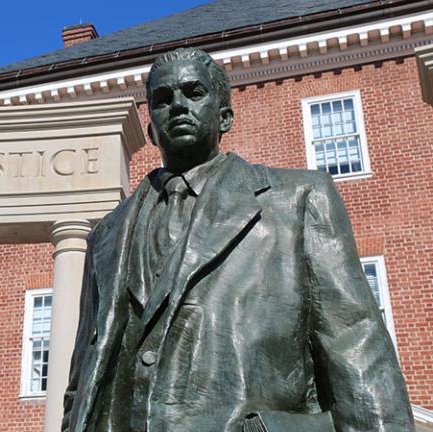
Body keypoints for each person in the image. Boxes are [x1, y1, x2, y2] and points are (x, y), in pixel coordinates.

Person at [61, 48, 414, 432]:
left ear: (225, 116)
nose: (178, 106)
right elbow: (80, 382)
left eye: (194, 93)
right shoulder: (106, 235)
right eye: (163, 100)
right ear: (150, 130)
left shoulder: (297, 200)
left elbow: (356, 345)